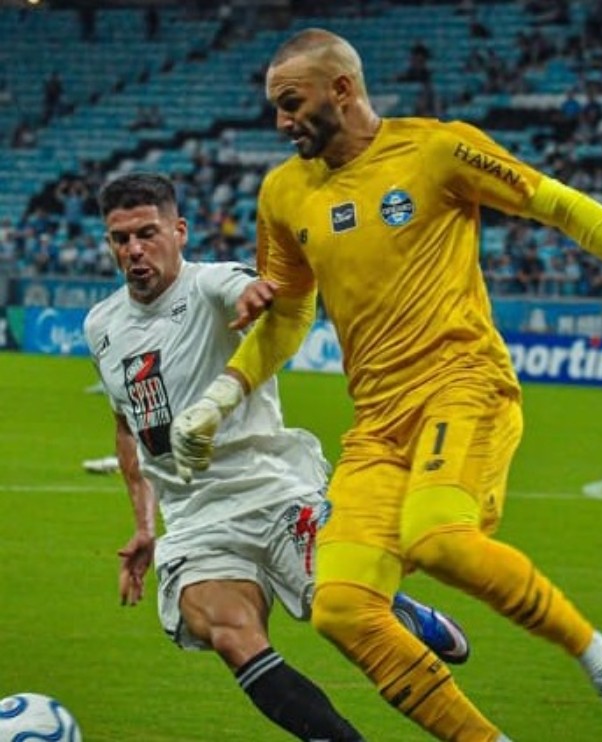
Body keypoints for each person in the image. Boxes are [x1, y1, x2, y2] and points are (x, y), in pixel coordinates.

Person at [170, 29, 602, 742]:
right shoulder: (283, 192)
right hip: (378, 423)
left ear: (344, 90)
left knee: (439, 539)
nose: (281, 122)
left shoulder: (436, 149)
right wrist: (221, 395)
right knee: (341, 607)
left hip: (463, 386)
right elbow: (291, 313)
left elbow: (557, 203)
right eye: (275, 107)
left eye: (292, 104)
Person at [83, 172, 470, 742]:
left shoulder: (210, 283)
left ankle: (403, 612)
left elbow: (248, 288)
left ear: (179, 231)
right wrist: (144, 525)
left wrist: (256, 295)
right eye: (120, 239)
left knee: (348, 620)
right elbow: (127, 425)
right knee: (226, 632)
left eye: (147, 233)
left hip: (272, 488)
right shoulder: (101, 327)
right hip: (195, 519)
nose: (134, 251)